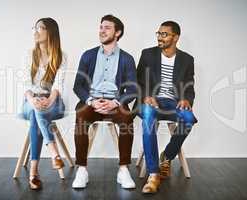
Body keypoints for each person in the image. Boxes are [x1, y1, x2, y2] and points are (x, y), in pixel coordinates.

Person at [72, 14, 137, 189]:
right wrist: (91, 101)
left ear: (118, 33)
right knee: (80, 116)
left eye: (107, 27)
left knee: (127, 119)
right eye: (101, 27)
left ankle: (123, 170)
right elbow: (77, 85)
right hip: (91, 101)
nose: (102, 30)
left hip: (115, 102)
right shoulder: (88, 55)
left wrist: (116, 102)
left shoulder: (127, 58)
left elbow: (133, 89)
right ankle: (82, 170)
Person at [136, 21, 198, 193]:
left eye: (164, 34)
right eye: (159, 33)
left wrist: (186, 99)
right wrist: (146, 97)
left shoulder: (187, 59)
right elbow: (137, 82)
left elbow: (190, 86)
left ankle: (167, 156)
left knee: (188, 118)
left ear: (175, 37)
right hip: (152, 101)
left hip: (174, 102)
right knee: (148, 116)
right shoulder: (147, 54)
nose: (160, 37)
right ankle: (153, 174)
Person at [18, 17, 67, 190]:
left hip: (53, 102)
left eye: (40, 28)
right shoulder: (28, 55)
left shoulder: (61, 56)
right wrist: (32, 99)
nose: (35, 32)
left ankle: (34, 172)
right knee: (35, 110)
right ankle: (54, 153)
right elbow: (25, 83)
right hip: (29, 100)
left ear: (50, 32)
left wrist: (49, 100)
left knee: (36, 114)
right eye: (34, 28)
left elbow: (58, 84)